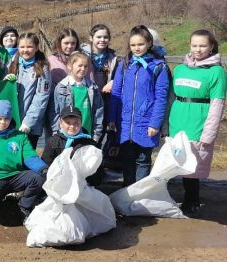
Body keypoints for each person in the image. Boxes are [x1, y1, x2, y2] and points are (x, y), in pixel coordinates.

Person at [168, 29, 226, 215]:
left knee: (194, 164)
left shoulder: (216, 72)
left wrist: (208, 133)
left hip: (198, 122)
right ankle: (175, 197)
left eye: (202, 45)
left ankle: (192, 199)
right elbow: (172, 97)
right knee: (177, 161)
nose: (198, 49)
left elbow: (217, 105)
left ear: (211, 47)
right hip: (178, 120)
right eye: (194, 45)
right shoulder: (180, 69)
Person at [107, 25, 170, 186]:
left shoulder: (158, 66)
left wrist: (155, 123)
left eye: (140, 44)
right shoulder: (125, 63)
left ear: (149, 43)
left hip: (146, 121)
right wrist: (112, 118)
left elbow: (161, 97)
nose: (136, 48)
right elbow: (116, 92)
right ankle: (128, 192)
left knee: (143, 159)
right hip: (125, 121)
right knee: (127, 159)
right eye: (133, 45)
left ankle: (140, 194)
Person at [0, 100, 47, 219]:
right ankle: (1, 199)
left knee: (38, 178)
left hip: (17, 176)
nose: (3, 122)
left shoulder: (20, 136)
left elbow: (30, 157)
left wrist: (43, 169)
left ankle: (24, 206)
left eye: (7, 119)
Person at [6, 32, 51, 148]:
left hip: (30, 127)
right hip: (12, 123)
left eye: (29, 47)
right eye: (22, 47)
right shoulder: (13, 65)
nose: (25, 50)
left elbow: (41, 98)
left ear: (36, 48)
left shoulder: (42, 68)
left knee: (27, 160)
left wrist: (28, 122)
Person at [42, 105, 103, 187]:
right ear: (60, 123)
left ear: (81, 123)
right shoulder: (52, 142)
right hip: (58, 184)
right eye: (68, 123)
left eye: (76, 123)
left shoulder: (89, 143)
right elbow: (46, 166)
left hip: (83, 185)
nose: (72, 126)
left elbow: (98, 173)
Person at [50, 52, 103, 142]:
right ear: (70, 66)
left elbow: (99, 110)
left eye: (85, 66)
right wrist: (56, 131)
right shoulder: (62, 87)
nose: (83, 69)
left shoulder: (92, 87)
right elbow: (55, 111)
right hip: (68, 134)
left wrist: (97, 132)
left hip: (88, 133)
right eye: (80, 66)